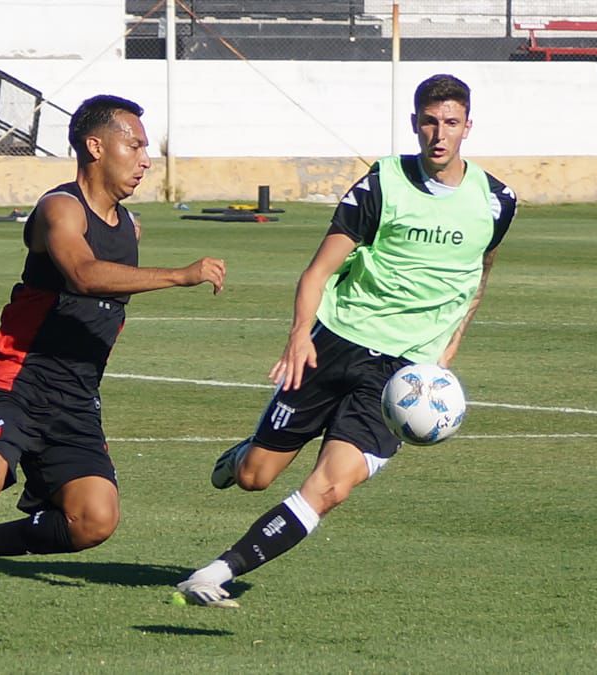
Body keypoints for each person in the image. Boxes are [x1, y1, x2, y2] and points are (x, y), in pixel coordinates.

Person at [0, 94, 226, 657]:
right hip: (17, 380)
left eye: (145, 147)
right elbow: (81, 274)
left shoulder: (131, 226)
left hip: (77, 399)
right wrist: (181, 275)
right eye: (135, 144)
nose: (145, 157)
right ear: (95, 147)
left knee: (93, 521)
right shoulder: (59, 208)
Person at [174, 73, 517, 608]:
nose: (439, 134)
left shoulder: (496, 200)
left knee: (331, 486)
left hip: (402, 374)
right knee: (254, 476)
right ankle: (241, 454)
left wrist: (451, 344)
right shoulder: (382, 183)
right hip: (334, 343)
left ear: (468, 127)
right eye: (429, 121)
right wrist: (297, 337)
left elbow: (481, 269)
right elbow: (317, 272)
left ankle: (214, 573)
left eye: (451, 122)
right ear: (414, 124)